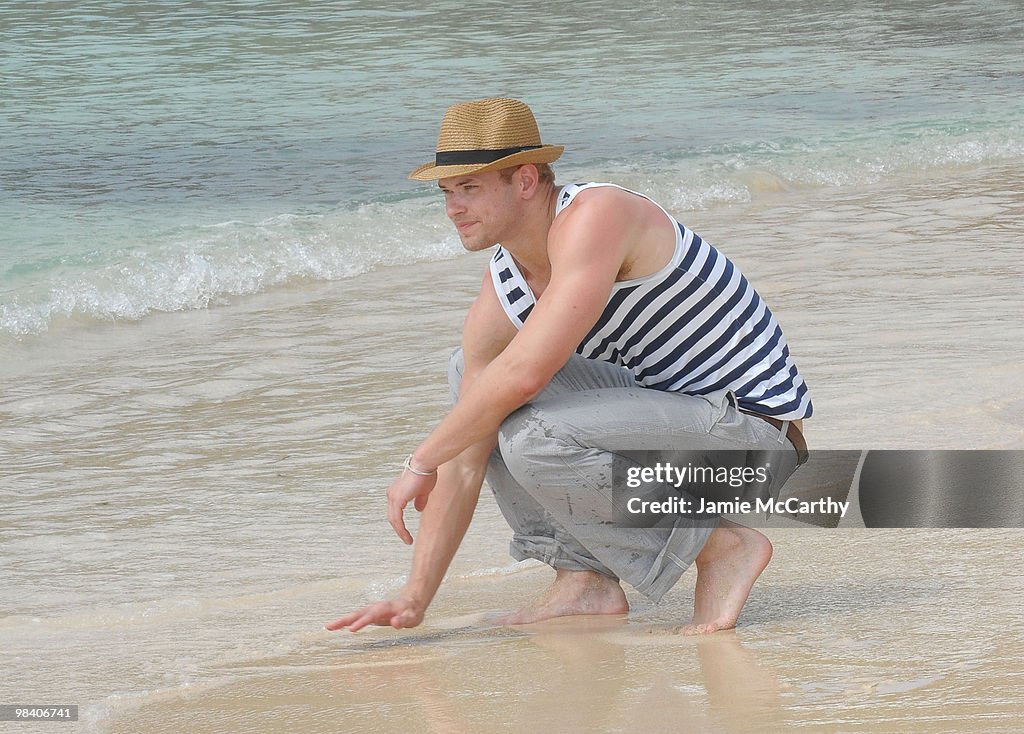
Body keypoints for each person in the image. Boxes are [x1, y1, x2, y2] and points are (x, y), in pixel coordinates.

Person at [326, 98, 812, 636]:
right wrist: (415, 598)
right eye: (447, 193)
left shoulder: (597, 215)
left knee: (533, 432)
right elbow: (467, 455)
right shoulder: (506, 278)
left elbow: (527, 377)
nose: (453, 209)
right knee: (472, 377)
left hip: (753, 437)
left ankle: (722, 546)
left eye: (470, 188)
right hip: (679, 427)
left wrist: (417, 462)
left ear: (527, 180)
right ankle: (586, 580)